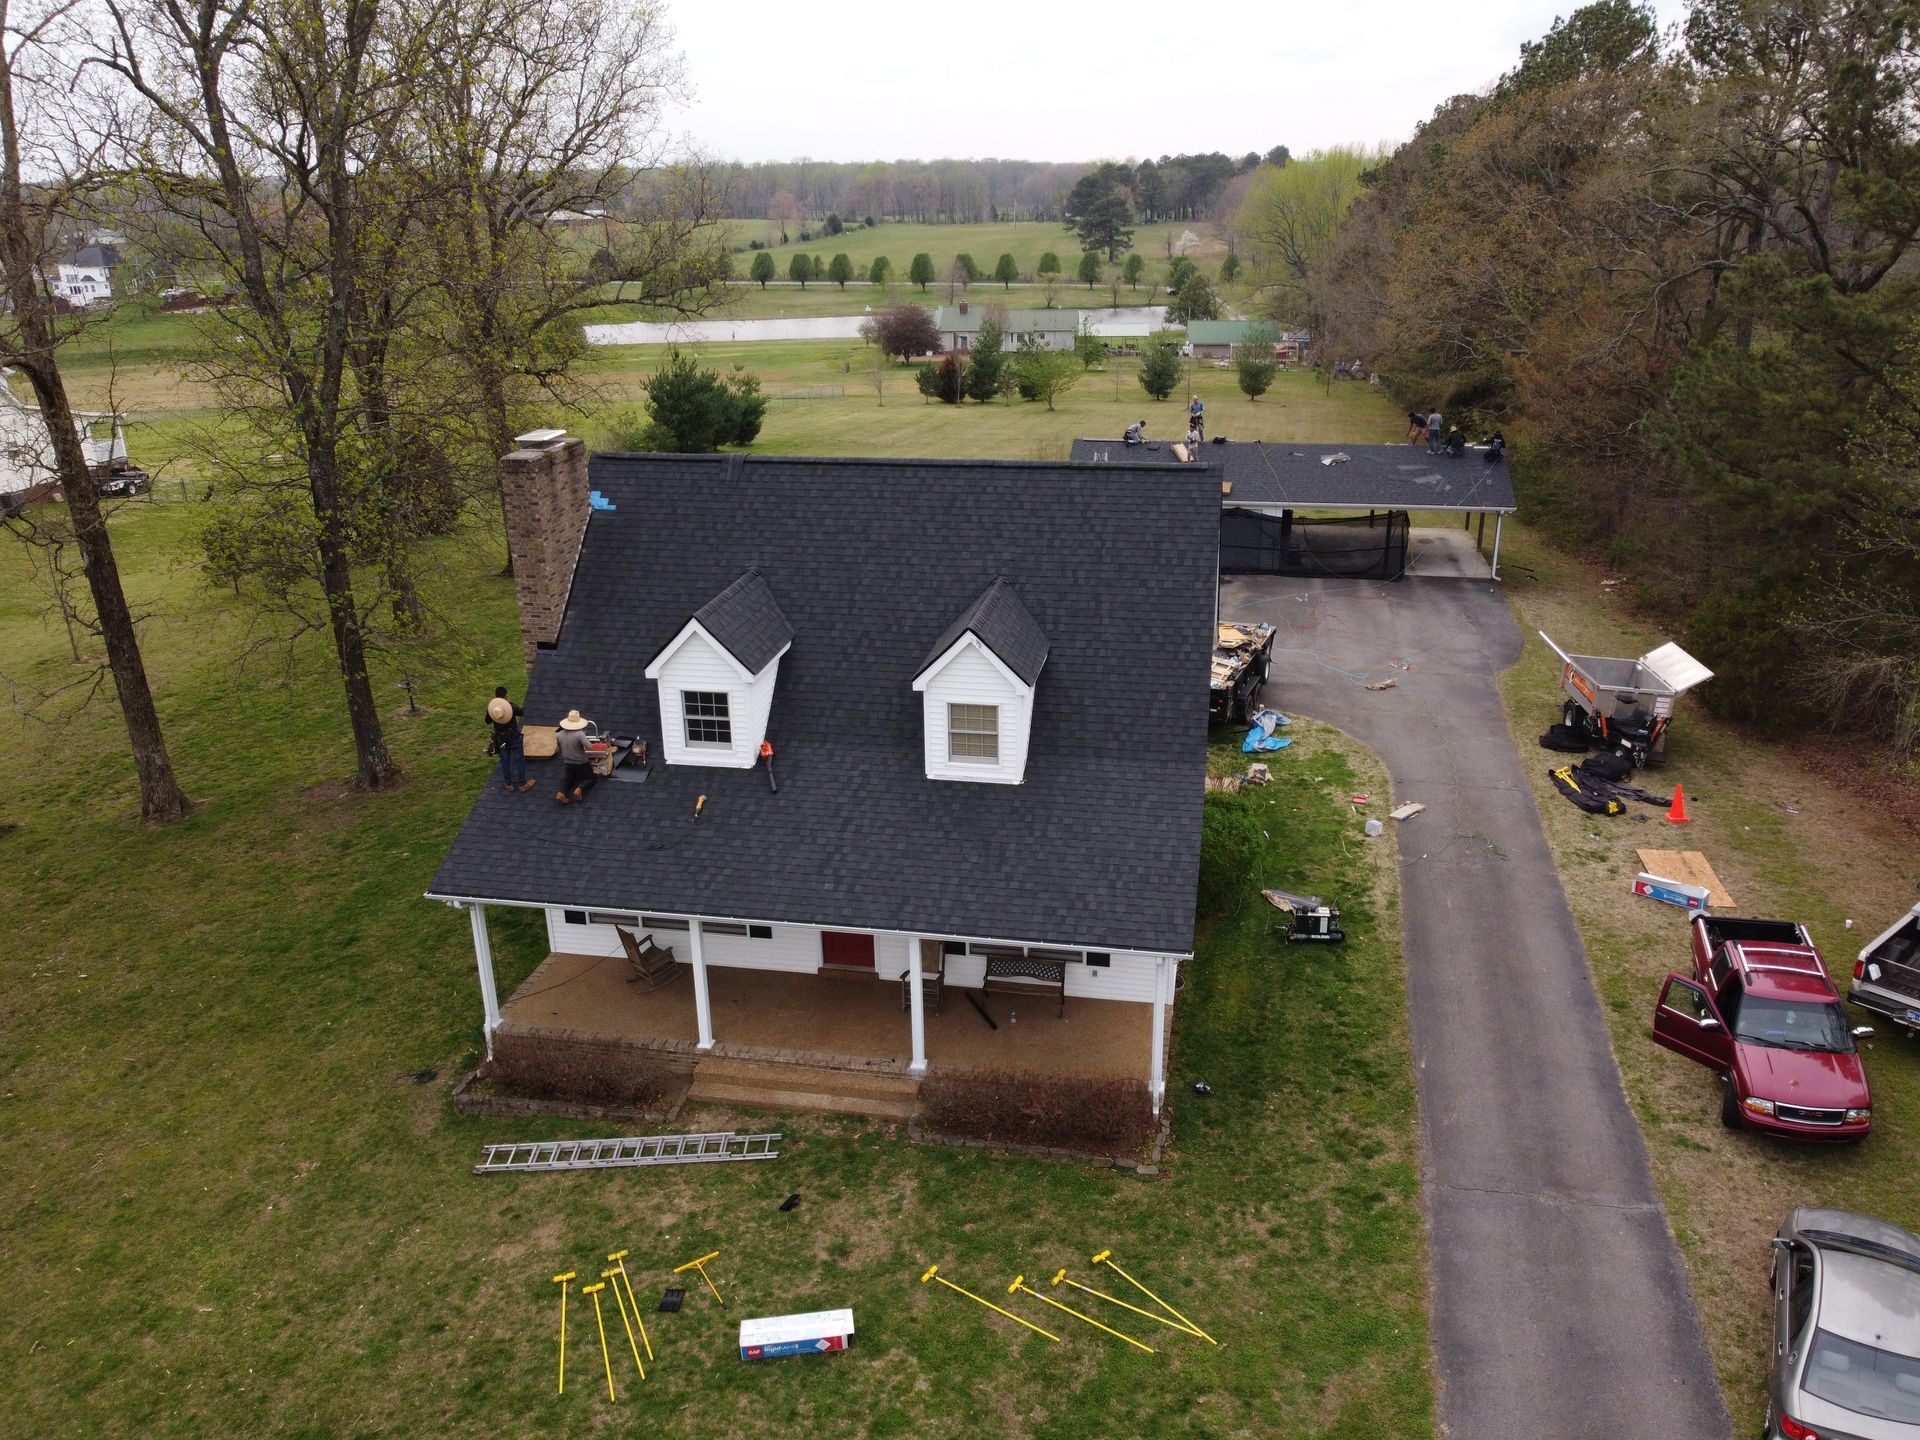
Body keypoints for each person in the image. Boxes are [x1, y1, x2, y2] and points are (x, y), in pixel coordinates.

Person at [487, 687, 533, 792]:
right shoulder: (511, 707)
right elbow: (521, 711)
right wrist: (508, 704)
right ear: (506, 695)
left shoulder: (493, 709)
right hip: (513, 737)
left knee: (504, 761)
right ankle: (522, 784)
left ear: (495, 696)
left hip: (501, 738)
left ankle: (509, 784)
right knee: (519, 760)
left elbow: (487, 721)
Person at [555, 709, 596, 805]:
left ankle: (561, 793)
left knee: (569, 779)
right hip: (581, 762)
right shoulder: (579, 734)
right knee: (591, 778)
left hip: (568, 762)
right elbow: (589, 747)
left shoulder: (559, 734)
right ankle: (579, 790)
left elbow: (559, 749)